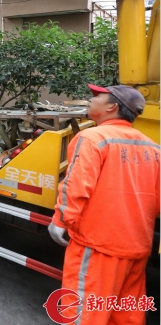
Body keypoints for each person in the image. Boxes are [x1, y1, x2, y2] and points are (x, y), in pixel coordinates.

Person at [48, 84, 160, 325]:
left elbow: (76, 185)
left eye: (97, 96)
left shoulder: (92, 138)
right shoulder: (154, 148)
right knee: (125, 313)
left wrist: (61, 219)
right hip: (137, 246)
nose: (90, 100)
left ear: (112, 107)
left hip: (97, 245)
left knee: (83, 312)